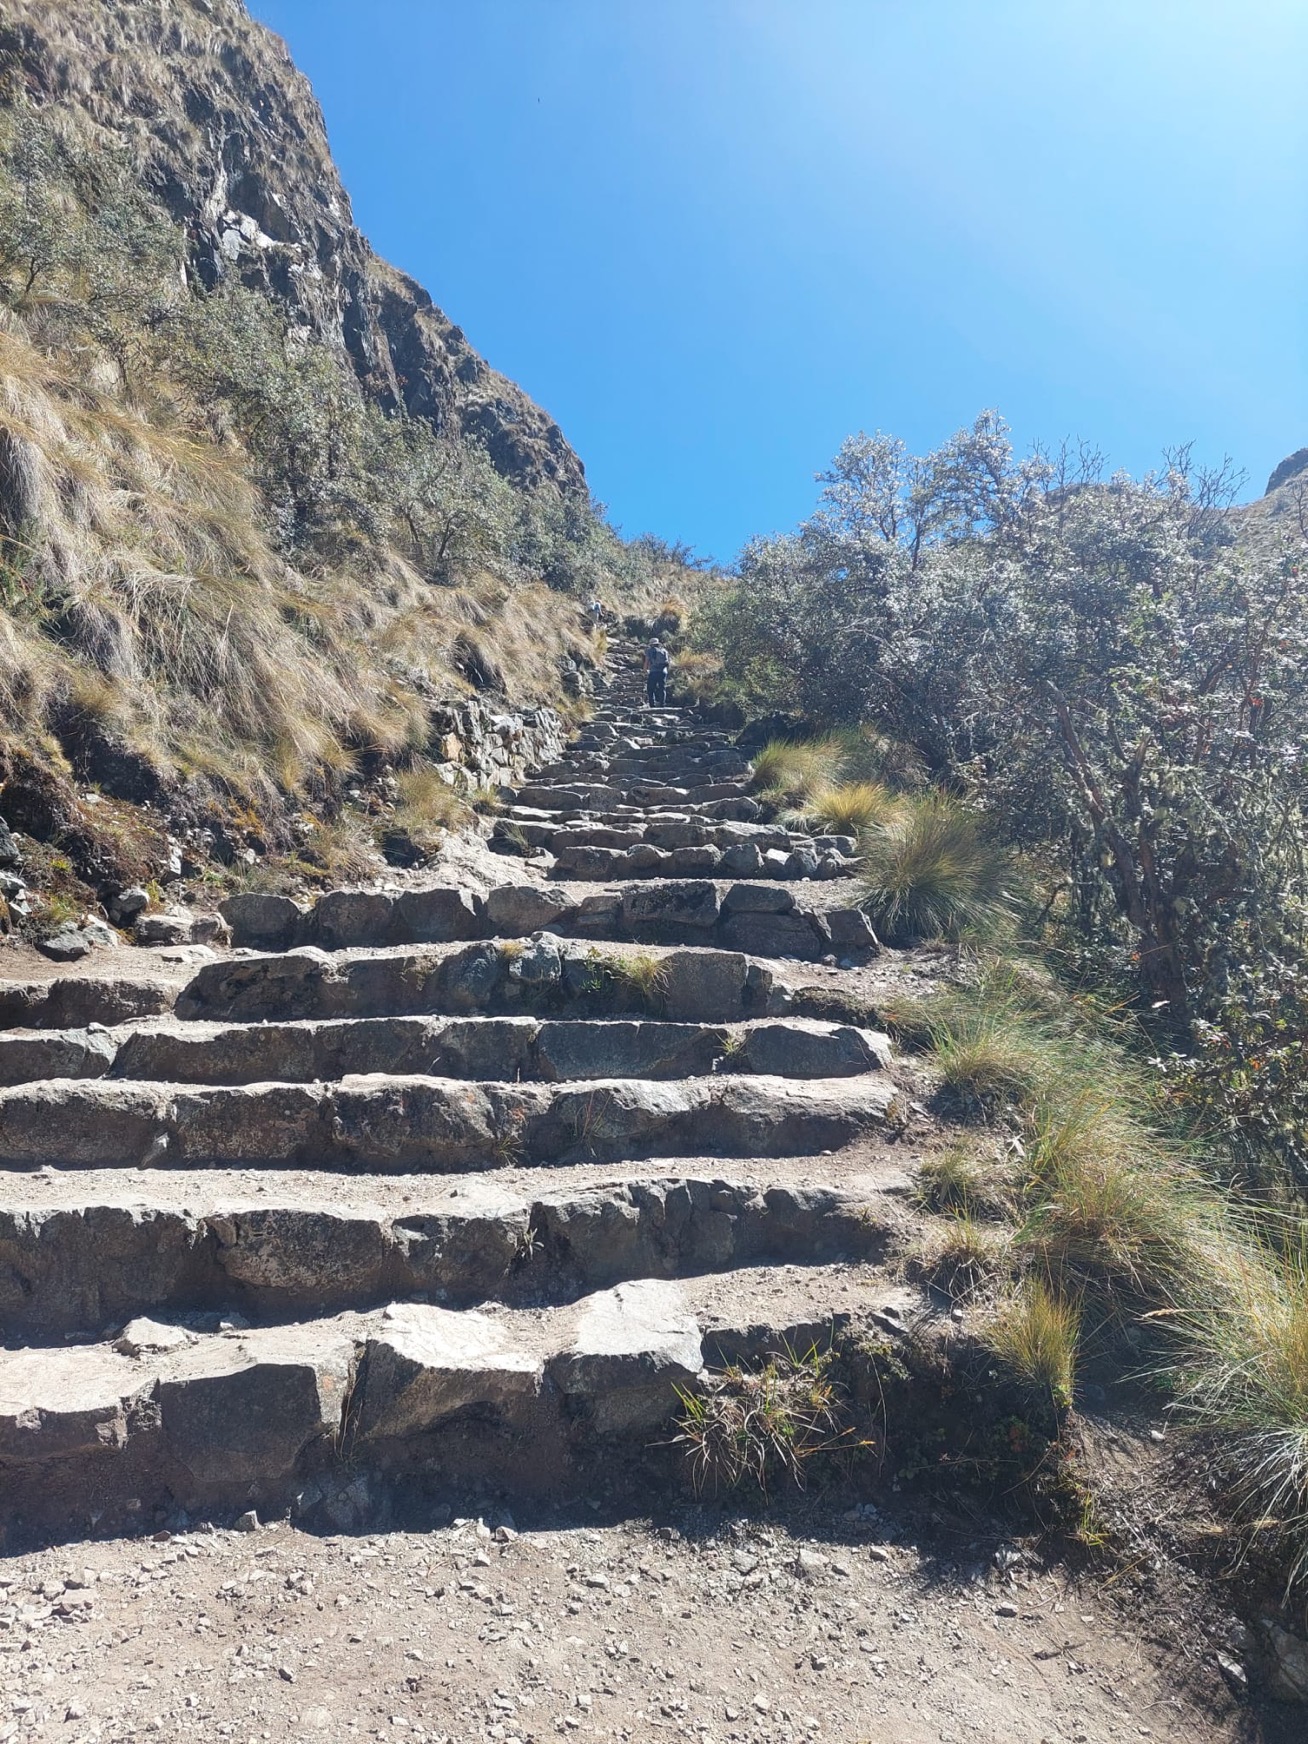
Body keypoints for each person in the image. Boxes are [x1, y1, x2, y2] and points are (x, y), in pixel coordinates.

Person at [644, 636, 670, 706]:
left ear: (651, 644)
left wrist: (645, 670)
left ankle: (652, 704)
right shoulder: (664, 651)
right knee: (662, 688)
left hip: (653, 671)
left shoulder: (649, 650)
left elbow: (647, 661)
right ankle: (662, 704)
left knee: (651, 688)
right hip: (663, 671)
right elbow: (667, 662)